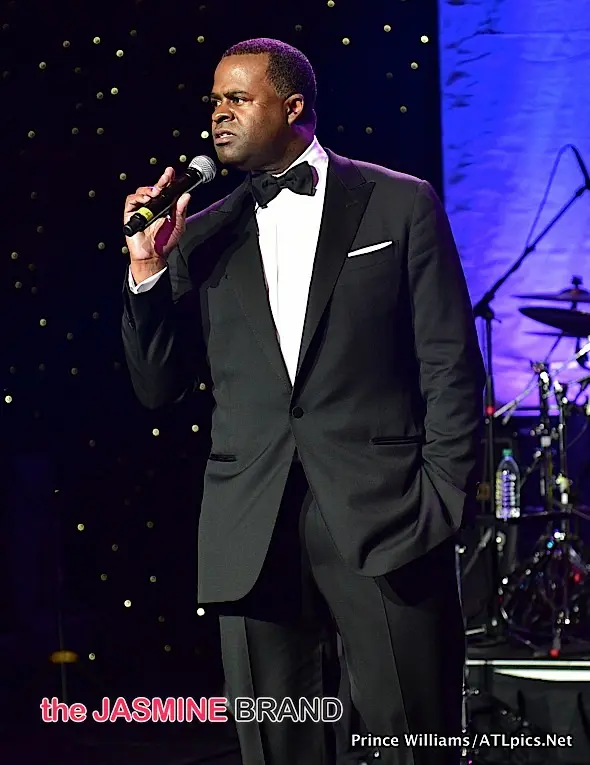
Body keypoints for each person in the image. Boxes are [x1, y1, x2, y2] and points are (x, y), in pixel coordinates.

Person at [121, 37, 485, 765]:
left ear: (292, 108)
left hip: (387, 515)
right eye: (214, 102)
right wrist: (147, 273)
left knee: (413, 735)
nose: (218, 115)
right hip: (252, 524)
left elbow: (450, 364)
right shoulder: (202, 235)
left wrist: (441, 497)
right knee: (277, 741)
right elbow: (158, 388)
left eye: (237, 99)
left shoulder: (398, 203)